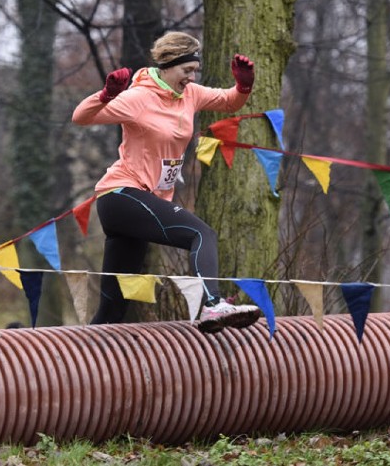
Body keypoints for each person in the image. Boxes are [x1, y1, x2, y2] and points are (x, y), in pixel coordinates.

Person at [72, 31, 262, 333]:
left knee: (113, 307)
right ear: (169, 66)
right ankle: (213, 304)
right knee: (202, 234)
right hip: (121, 194)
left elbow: (229, 102)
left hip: (145, 201)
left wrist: (244, 85)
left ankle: (82, 364)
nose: (192, 77)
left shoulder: (191, 95)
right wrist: (106, 95)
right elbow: (81, 117)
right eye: (187, 70)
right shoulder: (138, 98)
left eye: (195, 71)